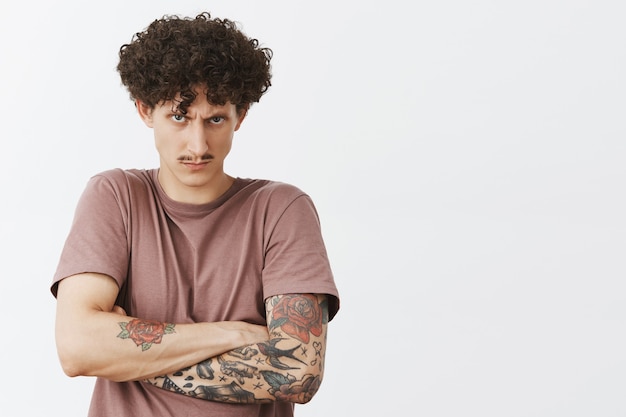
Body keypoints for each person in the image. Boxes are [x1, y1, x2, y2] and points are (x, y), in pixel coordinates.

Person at [51, 12, 340, 417]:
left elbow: (297, 374)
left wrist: (124, 357)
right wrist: (230, 334)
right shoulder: (115, 196)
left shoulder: (282, 210)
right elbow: (76, 348)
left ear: (241, 115)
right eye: (179, 117)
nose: (198, 144)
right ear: (145, 110)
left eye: (216, 119)